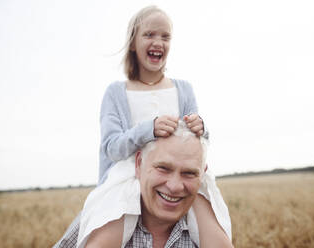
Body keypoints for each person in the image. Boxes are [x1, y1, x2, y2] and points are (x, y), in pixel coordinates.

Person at [54, 5, 232, 248]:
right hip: (126, 175)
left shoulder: (183, 89)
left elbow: (197, 144)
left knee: (214, 231)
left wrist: (201, 127)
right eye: (149, 35)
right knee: (107, 233)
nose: (158, 41)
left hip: (179, 170)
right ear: (132, 43)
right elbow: (111, 147)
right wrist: (149, 129)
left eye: (165, 36)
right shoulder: (116, 93)